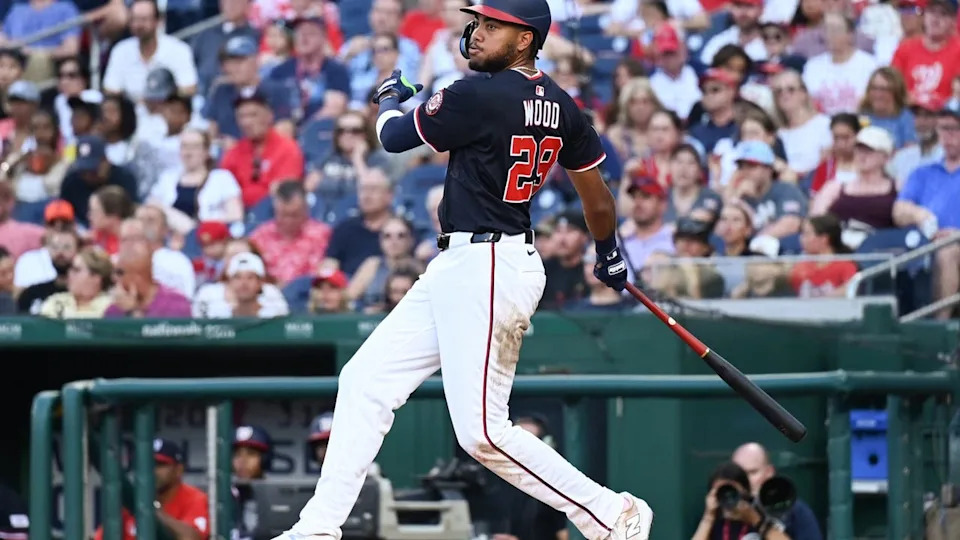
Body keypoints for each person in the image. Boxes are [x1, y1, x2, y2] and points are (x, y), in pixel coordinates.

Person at [273, 0, 652, 539]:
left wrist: (388, 100)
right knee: (364, 380)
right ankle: (317, 529)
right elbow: (596, 193)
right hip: (470, 262)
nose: (476, 32)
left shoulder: (479, 92)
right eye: (477, 22)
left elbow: (393, 138)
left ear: (525, 39)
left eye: (493, 26)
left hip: (489, 263)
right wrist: (608, 250)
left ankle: (613, 514)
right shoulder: (563, 106)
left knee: (483, 433)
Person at [731, 443, 823, 540]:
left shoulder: (794, 510)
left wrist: (757, 521)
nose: (746, 480)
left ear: (769, 472)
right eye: (740, 474)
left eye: (753, 472)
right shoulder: (724, 511)